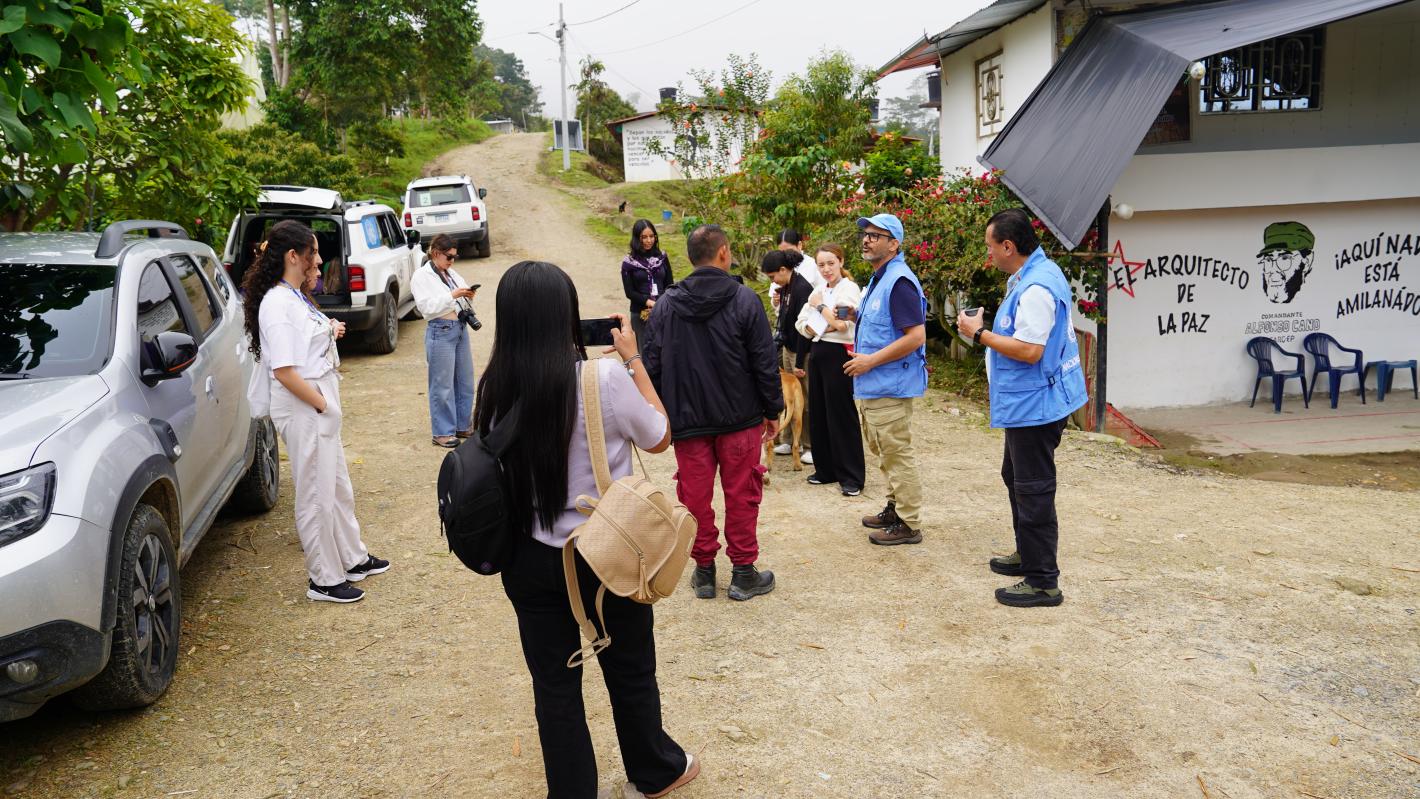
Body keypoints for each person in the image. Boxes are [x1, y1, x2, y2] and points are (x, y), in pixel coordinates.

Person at [475, 261, 699, 799]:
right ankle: (655, 770)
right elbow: (660, 437)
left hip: (529, 555)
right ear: (567, 316)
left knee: (553, 684)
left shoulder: (495, 385)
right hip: (605, 550)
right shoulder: (602, 378)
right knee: (630, 667)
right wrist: (634, 361)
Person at [241, 220, 389, 603]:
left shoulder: (293, 296)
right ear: (294, 256)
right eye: (314, 253)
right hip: (305, 403)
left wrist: (329, 329)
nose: (321, 261)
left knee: (337, 486)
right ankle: (323, 578)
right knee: (315, 493)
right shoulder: (277, 303)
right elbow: (285, 372)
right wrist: (322, 404)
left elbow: (303, 344)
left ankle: (352, 558)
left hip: (316, 401)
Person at [956, 208, 1087, 608]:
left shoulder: (1036, 288)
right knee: (1014, 476)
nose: (989, 254)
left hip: (1037, 405)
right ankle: (1028, 555)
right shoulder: (1033, 274)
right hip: (1031, 401)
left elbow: (1031, 351)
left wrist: (978, 334)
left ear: (1009, 246)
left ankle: (1043, 581)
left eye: (991, 247)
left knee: (1033, 489)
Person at [642, 224, 780, 602]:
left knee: (694, 498)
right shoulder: (745, 299)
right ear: (723, 253)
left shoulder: (667, 305)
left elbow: (650, 365)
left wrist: (660, 416)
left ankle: (704, 572)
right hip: (740, 420)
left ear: (689, 258)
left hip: (687, 424)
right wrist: (773, 409)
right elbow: (764, 362)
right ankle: (743, 573)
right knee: (742, 494)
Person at [844, 213, 927, 546]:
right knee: (885, 451)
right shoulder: (880, 278)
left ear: (894, 244)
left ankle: (909, 523)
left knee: (897, 453)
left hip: (889, 384)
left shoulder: (899, 281)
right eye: (865, 234)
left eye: (876, 235)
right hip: (876, 385)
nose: (866, 239)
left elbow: (916, 336)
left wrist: (870, 361)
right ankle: (895, 508)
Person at [795, 243, 864, 495]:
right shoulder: (818, 289)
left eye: (830, 263)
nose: (826, 269)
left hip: (839, 354)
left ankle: (852, 477)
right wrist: (823, 322)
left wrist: (820, 310)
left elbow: (843, 324)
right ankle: (826, 470)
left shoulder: (849, 288)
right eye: (821, 265)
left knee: (841, 414)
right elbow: (802, 324)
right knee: (820, 413)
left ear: (841, 262)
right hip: (818, 352)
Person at [411, 233, 479, 448]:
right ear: (436, 253)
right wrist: (453, 296)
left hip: (458, 328)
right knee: (442, 385)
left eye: (454, 257)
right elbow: (426, 307)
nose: (452, 261)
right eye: (449, 257)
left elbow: (461, 289)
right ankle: (442, 432)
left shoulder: (450, 272)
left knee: (465, 380)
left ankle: (462, 425)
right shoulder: (421, 276)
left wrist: (467, 294)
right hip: (440, 330)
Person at [762, 249, 813, 464]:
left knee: (805, 399)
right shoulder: (785, 288)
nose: (773, 281)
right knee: (786, 396)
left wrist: (800, 360)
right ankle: (790, 439)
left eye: (773, 277)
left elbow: (805, 328)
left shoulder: (802, 289)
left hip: (803, 350)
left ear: (783, 270)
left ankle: (810, 445)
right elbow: (783, 321)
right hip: (788, 348)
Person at [620, 219, 674, 348]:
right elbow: (630, 292)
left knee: (664, 350)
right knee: (644, 352)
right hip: (640, 314)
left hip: (663, 311)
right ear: (637, 238)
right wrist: (649, 303)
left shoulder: (662, 258)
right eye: (644, 237)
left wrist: (662, 304)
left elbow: (670, 284)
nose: (649, 240)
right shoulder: (629, 263)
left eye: (651, 236)